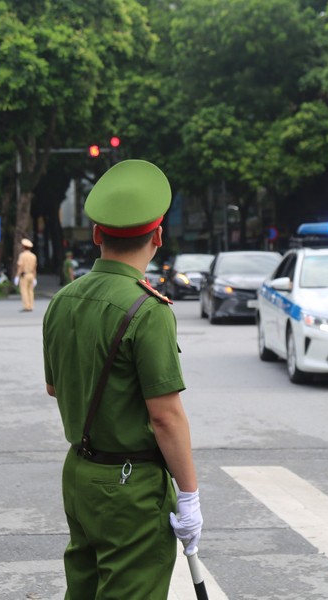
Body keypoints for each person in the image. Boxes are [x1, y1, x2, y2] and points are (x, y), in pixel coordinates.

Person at [42, 160, 201, 599]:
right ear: (158, 236)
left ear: (96, 235)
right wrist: (189, 497)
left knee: (85, 590)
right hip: (130, 487)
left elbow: (56, 387)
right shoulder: (148, 310)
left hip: (80, 473)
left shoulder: (63, 300)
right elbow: (167, 418)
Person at [15, 238, 37, 312]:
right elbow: (34, 268)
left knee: (24, 291)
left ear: (23, 246)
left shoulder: (22, 255)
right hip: (31, 275)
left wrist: (17, 276)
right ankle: (31, 305)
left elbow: (20, 266)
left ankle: (26, 306)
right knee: (30, 291)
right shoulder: (33, 256)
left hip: (24, 275)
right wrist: (34, 277)